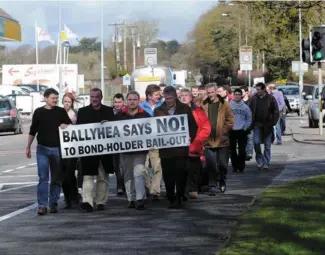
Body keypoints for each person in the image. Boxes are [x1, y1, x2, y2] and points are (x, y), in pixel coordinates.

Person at [26, 88, 71, 215]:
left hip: (58, 149)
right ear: (45, 98)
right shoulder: (39, 112)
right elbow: (32, 130)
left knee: (56, 178)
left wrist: (66, 126)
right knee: (43, 177)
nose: (55, 100)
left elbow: (70, 127)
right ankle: (42, 205)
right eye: (53, 98)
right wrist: (28, 146)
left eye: (56, 98)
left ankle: (53, 203)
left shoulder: (61, 111)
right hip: (42, 149)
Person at [154, 86, 198, 209]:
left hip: (180, 149)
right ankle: (170, 196)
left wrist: (189, 139)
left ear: (175, 97)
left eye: (171, 98)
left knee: (180, 174)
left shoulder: (185, 109)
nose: (168, 101)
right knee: (168, 175)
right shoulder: (158, 110)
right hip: (165, 150)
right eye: (166, 98)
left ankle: (179, 197)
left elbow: (193, 127)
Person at [77, 88, 115, 212]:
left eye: (96, 97)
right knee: (87, 176)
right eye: (92, 97)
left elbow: (115, 129)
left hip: (105, 150)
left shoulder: (109, 111)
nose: (94, 99)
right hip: (89, 150)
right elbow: (77, 130)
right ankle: (87, 201)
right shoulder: (82, 112)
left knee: (103, 176)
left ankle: (100, 202)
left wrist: (108, 124)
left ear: (101, 97)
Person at [116, 91, 151, 209]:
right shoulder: (120, 115)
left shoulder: (145, 115)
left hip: (140, 150)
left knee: (139, 172)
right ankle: (131, 198)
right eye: (130, 99)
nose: (132, 102)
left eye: (134, 99)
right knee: (128, 175)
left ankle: (140, 198)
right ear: (126, 101)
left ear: (138, 101)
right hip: (125, 150)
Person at [202, 83, 234, 195]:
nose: (210, 95)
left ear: (216, 92)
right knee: (211, 164)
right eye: (208, 93)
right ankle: (212, 185)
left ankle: (222, 180)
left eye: (212, 92)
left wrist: (224, 131)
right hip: (208, 140)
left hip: (222, 140)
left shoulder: (224, 105)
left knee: (223, 165)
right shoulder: (203, 105)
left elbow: (230, 120)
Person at [180, 89, 211, 199]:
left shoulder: (198, 111)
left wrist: (197, 140)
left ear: (190, 98)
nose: (184, 97)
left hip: (195, 145)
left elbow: (206, 128)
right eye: (182, 95)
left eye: (186, 95)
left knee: (194, 169)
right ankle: (183, 190)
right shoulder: (175, 112)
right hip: (180, 146)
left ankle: (193, 188)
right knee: (182, 169)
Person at [139, 84, 163, 200]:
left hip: (157, 141)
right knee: (142, 168)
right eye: (156, 94)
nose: (159, 96)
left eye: (159, 94)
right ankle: (148, 187)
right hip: (143, 142)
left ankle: (155, 191)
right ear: (149, 96)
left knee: (157, 166)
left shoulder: (163, 106)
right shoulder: (140, 107)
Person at [249, 83, 279, 169]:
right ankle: (259, 159)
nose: (257, 91)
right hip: (257, 124)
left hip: (267, 125)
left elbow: (275, 111)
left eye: (258, 89)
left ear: (263, 89)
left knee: (267, 145)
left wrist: (273, 122)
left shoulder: (270, 98)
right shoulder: (254, 99)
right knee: (256, 142)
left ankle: (266, 162)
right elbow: (250, 110)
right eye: (256, 89)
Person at [61, 93, 80, 209]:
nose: (67, 103)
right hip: (61, 148)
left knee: (70, 173)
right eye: (65, 101)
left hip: (72, 148)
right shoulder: (58, 113)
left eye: (69, 102)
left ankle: (74, 195)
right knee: (63, 174)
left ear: (72, 102)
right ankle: (67, 198)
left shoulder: (76, 115)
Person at [229, 89, 252, 173]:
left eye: (239, 94)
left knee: (242, 150)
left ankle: (241, 166)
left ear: (241, 96)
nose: (237, 96)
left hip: (242, 130)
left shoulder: (245, 107)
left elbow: (249, 118)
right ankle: (235, 166)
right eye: (235, 94)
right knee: (232, 150)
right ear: (233, 95)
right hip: (232, 130)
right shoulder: (229, 106)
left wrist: (245, 128)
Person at [112, 93, 126, 196]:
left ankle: (122, 186)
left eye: (119, 102)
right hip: (113, 144)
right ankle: (120, 185)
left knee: (123, 165)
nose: (117, 104)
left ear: (123, 102)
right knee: (116, 165)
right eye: (115, 102)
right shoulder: (109, 112)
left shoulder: (126, 113)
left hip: (125, 143)